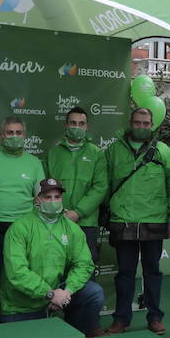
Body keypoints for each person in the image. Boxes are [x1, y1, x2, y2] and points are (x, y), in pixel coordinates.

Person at [1, 177, 106, 336]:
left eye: (57, 197)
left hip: (59, 294)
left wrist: (67, 292)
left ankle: (75, 334)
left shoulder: (72, 228)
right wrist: (49, 294)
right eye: (47, 197)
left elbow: (84, 264)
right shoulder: (20, 228)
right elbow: (16, 271)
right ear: (37, 200)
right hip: (23, 305)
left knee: (94, 293)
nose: (53, 201)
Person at [105, 106, 170, 335]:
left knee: (152, 273)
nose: (142, 127)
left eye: (146, 123)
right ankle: (121, 320)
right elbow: (105, 184)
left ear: (152, 125)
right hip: (123, 221)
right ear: (130, 122)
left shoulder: (163, 151)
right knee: (125, 274)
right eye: (138, 122)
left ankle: (155, 317)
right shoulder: (114, 150)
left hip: (153, 221)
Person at [0, 116, 45, 323]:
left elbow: (40, 196)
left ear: (24, 136)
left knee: (20, 276)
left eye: (18, 133)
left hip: (23, 229)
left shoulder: (33, 163)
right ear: (1, 136)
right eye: (9, 133)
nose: (14, 137)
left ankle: (22, 319)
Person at [45, 106, 109, 262]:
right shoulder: (53, 153)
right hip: (57, 221)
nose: (77, 127)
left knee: (86, 268)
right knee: (57, 266)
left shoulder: (96, 153)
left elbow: (100, 187)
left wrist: (78, 212)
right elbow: (46, 187)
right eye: (73, 123)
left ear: (87, 127)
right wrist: (58, 211)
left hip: (86, 222)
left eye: (81, 124)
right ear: (66, 125)